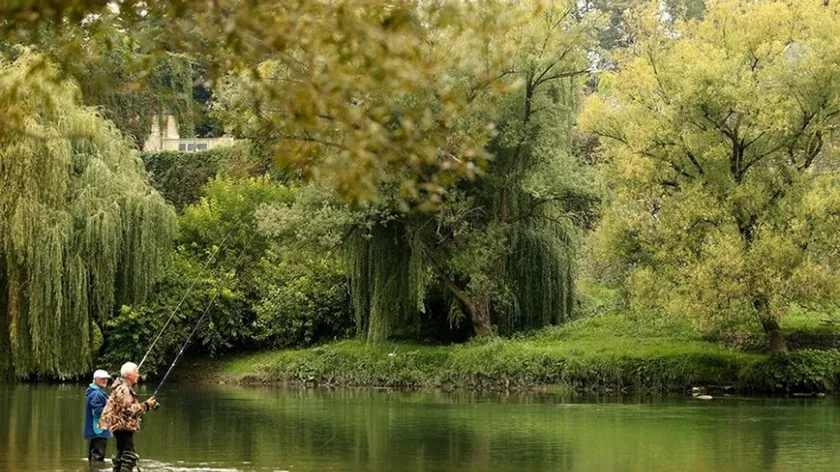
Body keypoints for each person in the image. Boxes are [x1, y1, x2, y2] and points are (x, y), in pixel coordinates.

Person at [100, 362, 158, 472]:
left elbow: (126, 407)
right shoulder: (124, 389)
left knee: (120, 454)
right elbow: (128, 409)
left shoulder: (120, 387)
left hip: (119, 426)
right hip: (123, 427)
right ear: (130, 375)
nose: (138, 375)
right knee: (129, 456)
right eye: (137, 373)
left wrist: (146, 405)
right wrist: (146, 405)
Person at [84, 369, 112, 463]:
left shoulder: (96, 392)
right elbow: (98, 412)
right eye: (102, 378)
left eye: (106, 379)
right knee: (98, 455)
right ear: (95, 379)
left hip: (97, 429)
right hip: (99, 429)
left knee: (95, 454)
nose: (105, 380)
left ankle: (92, 468)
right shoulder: (97, 393)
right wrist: (112, 409)